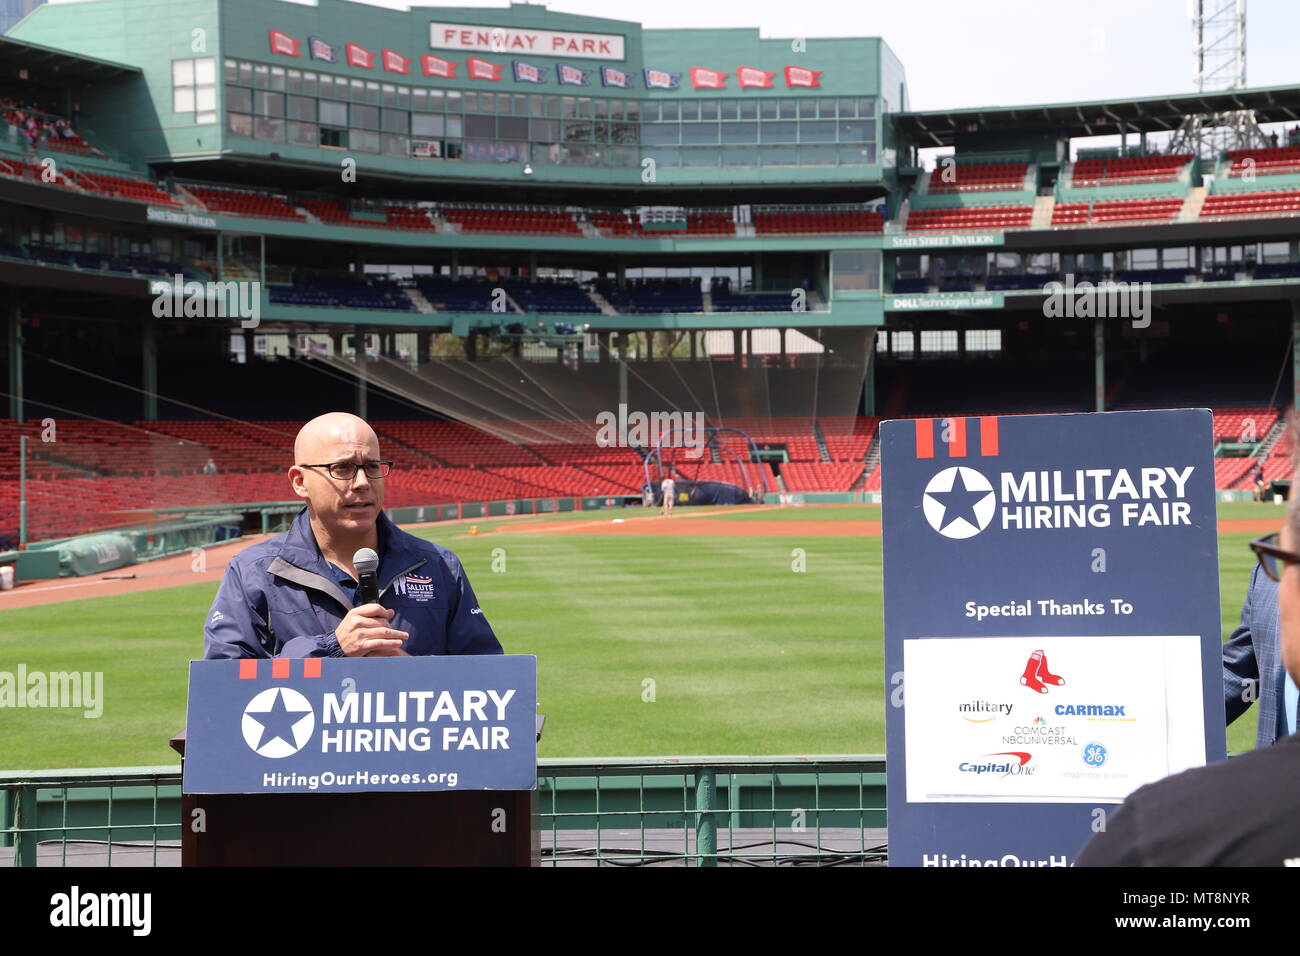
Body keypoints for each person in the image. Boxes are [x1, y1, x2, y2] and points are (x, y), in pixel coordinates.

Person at [1077, 422, 1300, 865]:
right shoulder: (1267, 571)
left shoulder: (1149, 834)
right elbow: (1238, 669)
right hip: (1274, 818)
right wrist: (1135, 720)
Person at [203, 412, 501, 658]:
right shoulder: (253, 572)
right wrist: (332, 648)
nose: (362, 482)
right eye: (342, 468)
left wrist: (410, 671)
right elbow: (224, 689)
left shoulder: (438, 565)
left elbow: (488, 679)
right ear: (300, 482)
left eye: (371, 467)